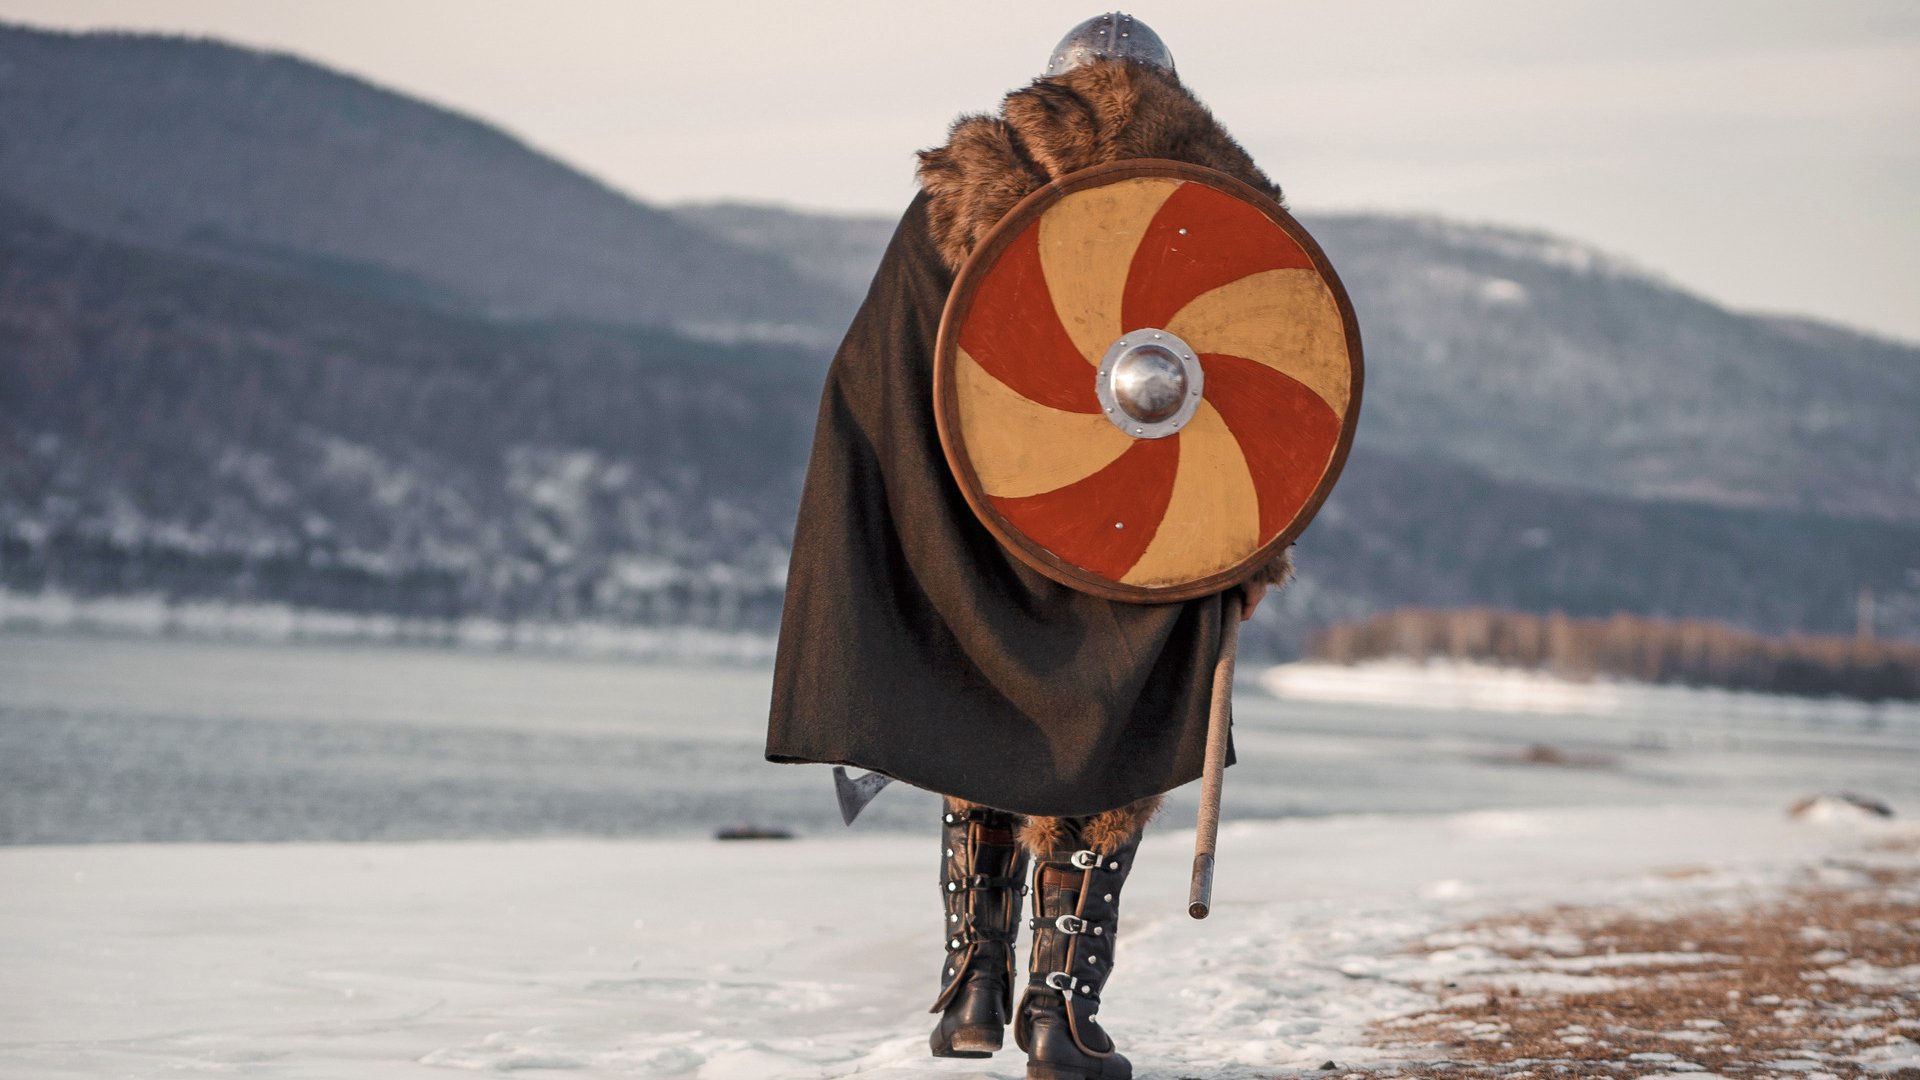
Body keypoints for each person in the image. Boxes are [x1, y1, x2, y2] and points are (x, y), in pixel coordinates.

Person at [766, 13, 1293, 1078]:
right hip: (1147, 541)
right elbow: (1269, 414)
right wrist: (1251, 554)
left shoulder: (969, 188)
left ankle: (972, 985)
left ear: (1054, 86)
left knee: (983, 735)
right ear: (1172, 93)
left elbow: (877, 377)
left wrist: (905, 521)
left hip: (985, 539)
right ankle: (1061, 1015)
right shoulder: (1223, 202)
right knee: (1113, 760)